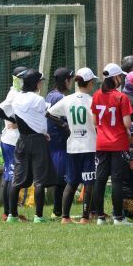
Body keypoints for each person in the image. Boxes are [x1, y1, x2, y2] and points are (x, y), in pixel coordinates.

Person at [46, 68, 98, 224]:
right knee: (88, 182)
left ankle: (65, 217)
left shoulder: (67, 99)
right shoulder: (92, 101)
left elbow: (48, 113)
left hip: (72, 146)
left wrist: (64, 125)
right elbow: (96, 123)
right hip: (89, 146)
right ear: (90, 83)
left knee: (71, 182)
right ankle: (84, 218)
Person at [6, 70, 57, 223]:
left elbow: (22, 119)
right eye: (40, 81)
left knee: (17, 179)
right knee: (39, 180)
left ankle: (12, 215)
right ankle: (38, 216)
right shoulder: (38, 99)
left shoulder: (16, 98)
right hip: (38, 141)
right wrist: (44, 133)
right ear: (36, 83)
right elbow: (40, 120)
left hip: (22, 140)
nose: (41, 83)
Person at [91, 63, 133, 226]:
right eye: (120, 76)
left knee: (100, 180)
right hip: (118, 143)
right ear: (116, 78)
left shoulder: (96, 95)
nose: (121, 79)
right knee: (116, 181)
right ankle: (118, 217)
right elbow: (127, 123)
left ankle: (100, 217)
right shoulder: (121, 97)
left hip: (101, 143)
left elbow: (95, 121)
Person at [0, 66, 28, 221]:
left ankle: (7, 212)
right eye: (23, 77)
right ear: (17, 79)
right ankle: (10, 214)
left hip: (9, 140)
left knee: (9, 176)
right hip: (12, 142)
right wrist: (13, 121)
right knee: (13, 177)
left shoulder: (17, 93)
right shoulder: (14, 94)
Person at [45, 67, 74, 218]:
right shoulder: (61, 98)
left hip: (52, 142)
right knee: (62, 179)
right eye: (70, 79)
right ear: (66, 81)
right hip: (60, 142)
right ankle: (57, 211)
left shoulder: (50, 95)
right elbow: (65, 120)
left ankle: (58, 210)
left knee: (60, 178)